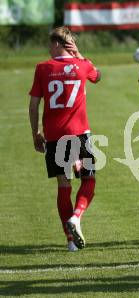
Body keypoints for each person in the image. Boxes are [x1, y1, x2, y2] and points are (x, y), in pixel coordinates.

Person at [28, 26, 101, 252]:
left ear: (57, 44)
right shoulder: (83, 65)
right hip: (80, 133)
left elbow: (33, 104)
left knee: (63, 184)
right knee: (88, 180)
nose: (49, 49)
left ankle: (70, 242)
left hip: (54, 135)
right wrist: (79, 55)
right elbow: (97, 76)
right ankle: (77, 217)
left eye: (50, 44)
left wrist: (35, 133)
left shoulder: (42, 68)